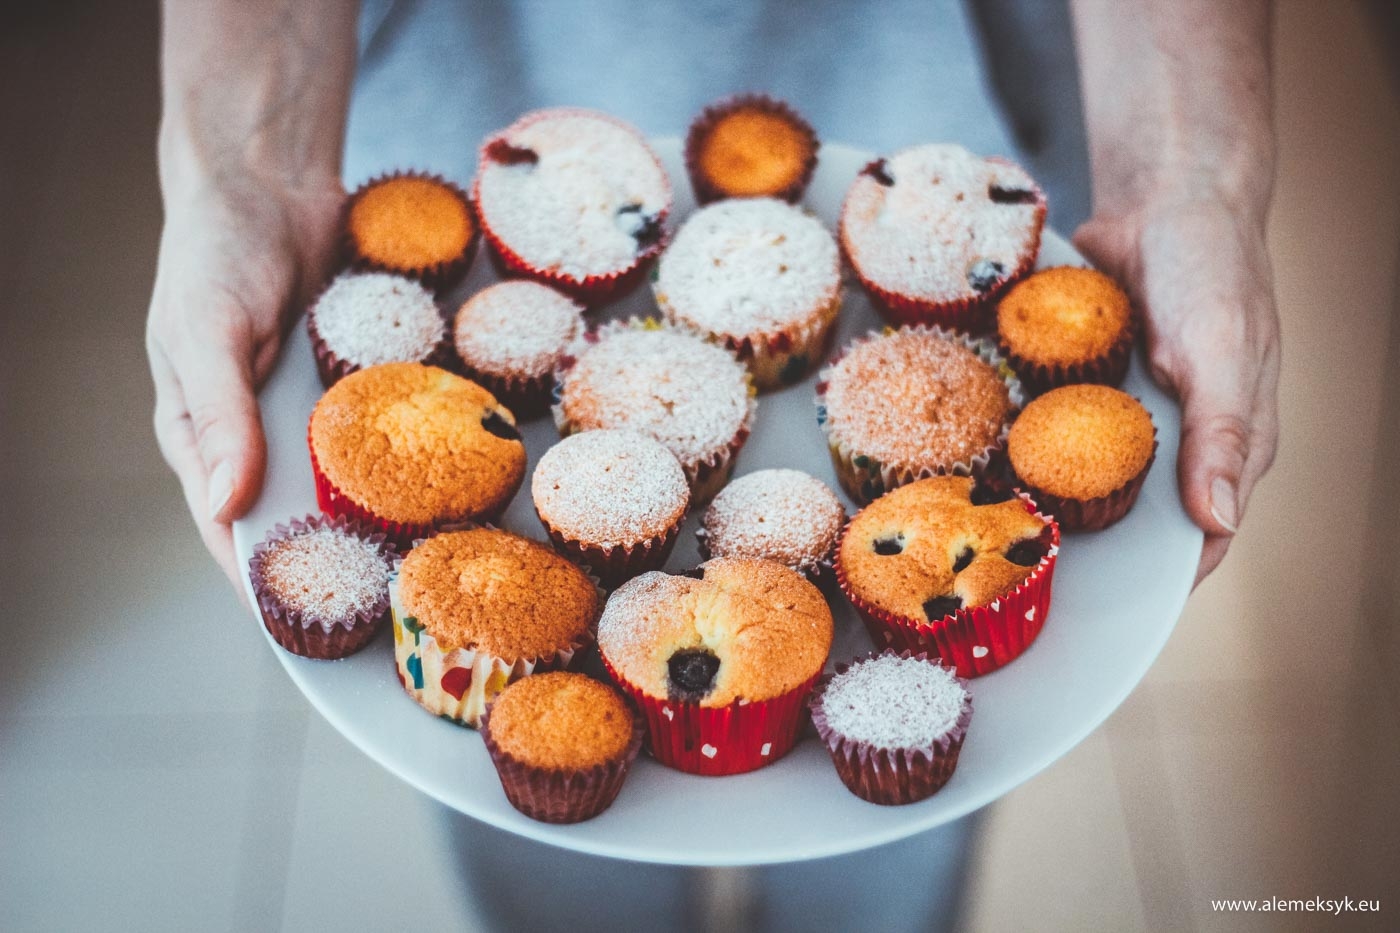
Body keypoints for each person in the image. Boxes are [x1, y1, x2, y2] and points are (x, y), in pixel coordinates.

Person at [146, 1, 1279, 929]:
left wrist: (1194, 178)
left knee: (884, 883)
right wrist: (237, 166)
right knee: (555, 891)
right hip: (466, 95)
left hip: (940, 94)